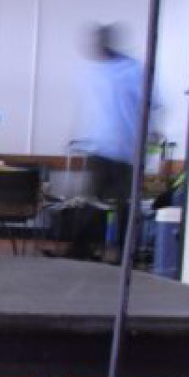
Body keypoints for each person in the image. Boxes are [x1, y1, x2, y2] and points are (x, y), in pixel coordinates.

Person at [66, 24, 145, 261]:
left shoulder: (133, 71)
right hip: (100, 148)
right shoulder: (97, 72)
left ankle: (124, 254)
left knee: (124, 205)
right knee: (91, 203)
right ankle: (80, 251)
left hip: (127, 151)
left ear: (107, 43)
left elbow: (150, 105)